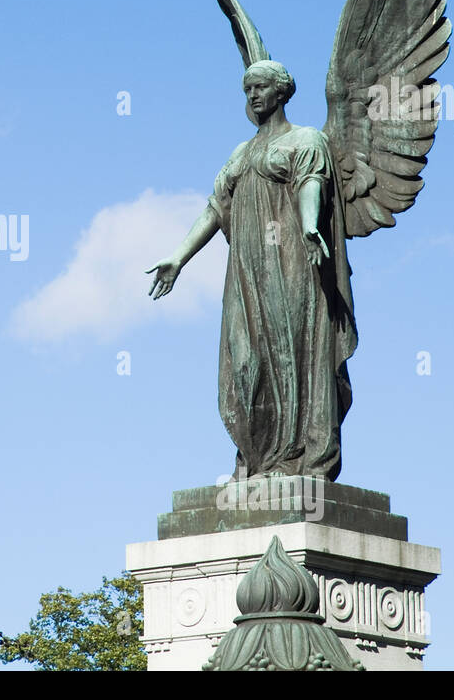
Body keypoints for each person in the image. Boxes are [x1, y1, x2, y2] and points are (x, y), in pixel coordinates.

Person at [146, 60, 357, 481]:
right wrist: (179, 257)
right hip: (246, 274)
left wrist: (312, 225)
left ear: (281, 92)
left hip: (293, 263)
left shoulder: (306, 139)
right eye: (247, 90)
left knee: (293, 355)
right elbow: (214, 207)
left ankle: (296, 459)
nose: (253, 96)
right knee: (244, 363)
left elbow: (310, 182)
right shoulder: (241, 154)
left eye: (260, 87)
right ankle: (258, 457)